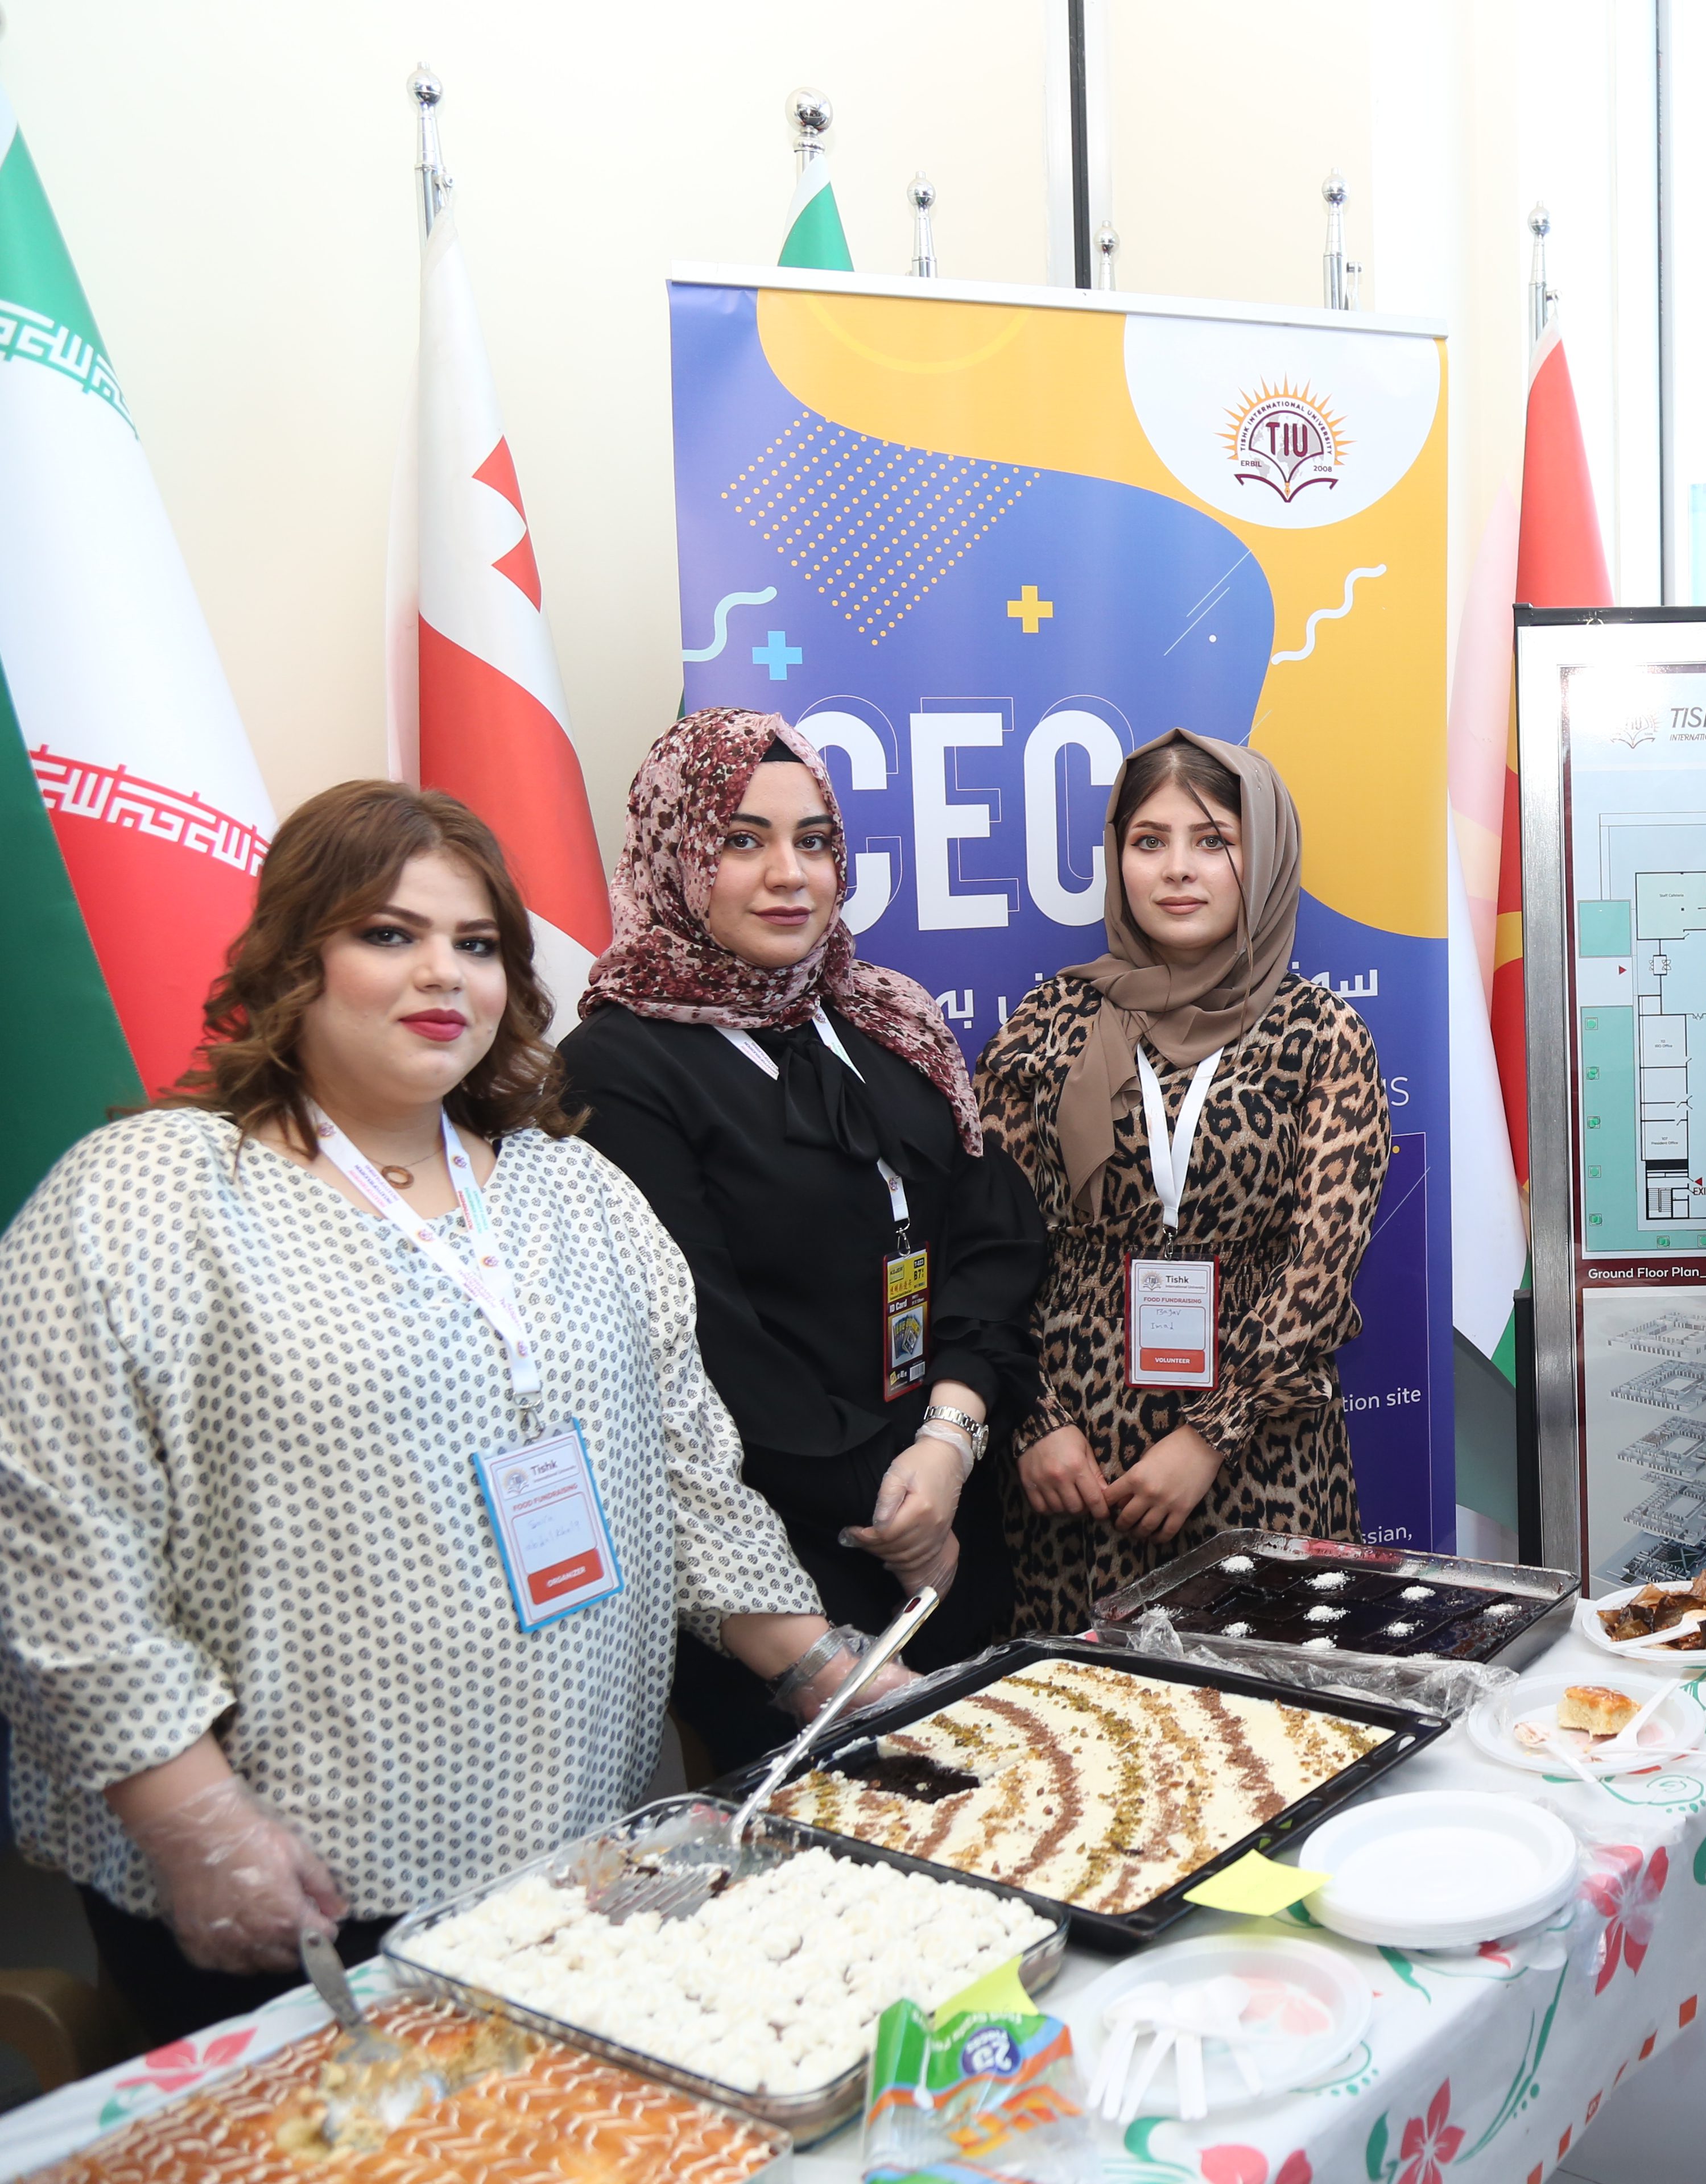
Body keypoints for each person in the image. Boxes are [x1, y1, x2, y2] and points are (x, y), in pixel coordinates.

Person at [0, 781, 900, 2044]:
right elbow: (51, 1538)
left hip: (569, 1852)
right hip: (293, 1884)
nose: (443, 974)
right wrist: (189, 1819)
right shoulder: (150, 1195)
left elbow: (688, 1477)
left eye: (476, 944)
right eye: (389, 934)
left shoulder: (577, 1189)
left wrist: (829, 1671)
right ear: (294, 959)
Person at [561, 708, 1046, 1774]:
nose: (790, 874)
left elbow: (991, 1239)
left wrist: (948, 1441)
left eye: (814, 841)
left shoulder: (888, 1017)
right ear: (677, 856)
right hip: (783, 1572)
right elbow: (705, 1347)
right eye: (742, 841)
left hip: (952, 1515)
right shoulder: (616, 1066)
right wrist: (900, 1512)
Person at [973, 730, 1391, 1632]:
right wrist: (1035, 1420)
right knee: (1080, 1706)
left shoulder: (1322, 1034)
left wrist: (1211, 1434)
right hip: (1073, 1464)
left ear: (1263, 856)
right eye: (1148, 841)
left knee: (1270, 1698)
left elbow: (1321, 1269)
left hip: (1262, 1446)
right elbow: (988, 1247)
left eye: (1213, 841)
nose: (1177, 870)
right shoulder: (1045, 1024)